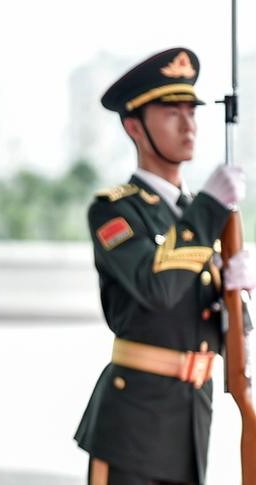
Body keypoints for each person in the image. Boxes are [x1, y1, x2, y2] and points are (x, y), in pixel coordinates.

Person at [74, 47, 255, 484]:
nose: (188, 123)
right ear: (134, 126)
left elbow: (218, 329)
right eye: (171, 112)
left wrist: (240, 298)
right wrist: (211, 208)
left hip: (192, 419)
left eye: (191, 111)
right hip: (134, 426)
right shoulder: (116, 212)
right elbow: (157, 287)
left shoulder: (198, 217)